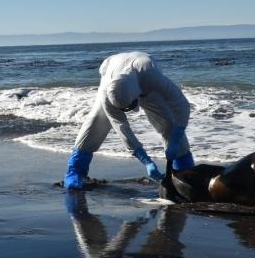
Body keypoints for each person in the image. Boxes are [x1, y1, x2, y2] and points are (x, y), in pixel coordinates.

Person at [63, 51, 195, 189]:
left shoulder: (151, 76)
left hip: (146, 86)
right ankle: (75, 172)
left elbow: (181, 104)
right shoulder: (107, 95)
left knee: (169, 124)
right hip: (111, 73)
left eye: (130, 107)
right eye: (124, 109)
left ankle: (184, 171)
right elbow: (121, 127)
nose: (129, 111)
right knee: (96, 123)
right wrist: (146, 160)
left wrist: (177, 134)